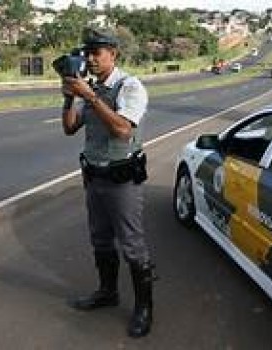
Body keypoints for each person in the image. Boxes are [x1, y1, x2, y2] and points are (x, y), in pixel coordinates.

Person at [61, 29, 153, 338]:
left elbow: (123, 131)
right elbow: (70, 129)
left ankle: (144, 309)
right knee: (100, 240)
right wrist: (69, 98)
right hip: (95, 178)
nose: (89, 58)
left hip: (121, 179)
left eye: (96, 53)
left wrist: (90, 96)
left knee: (132, 246)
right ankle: (107, 292)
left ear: (113, 54)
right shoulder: (94, 88)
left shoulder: (130, 87)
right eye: (87, 53)